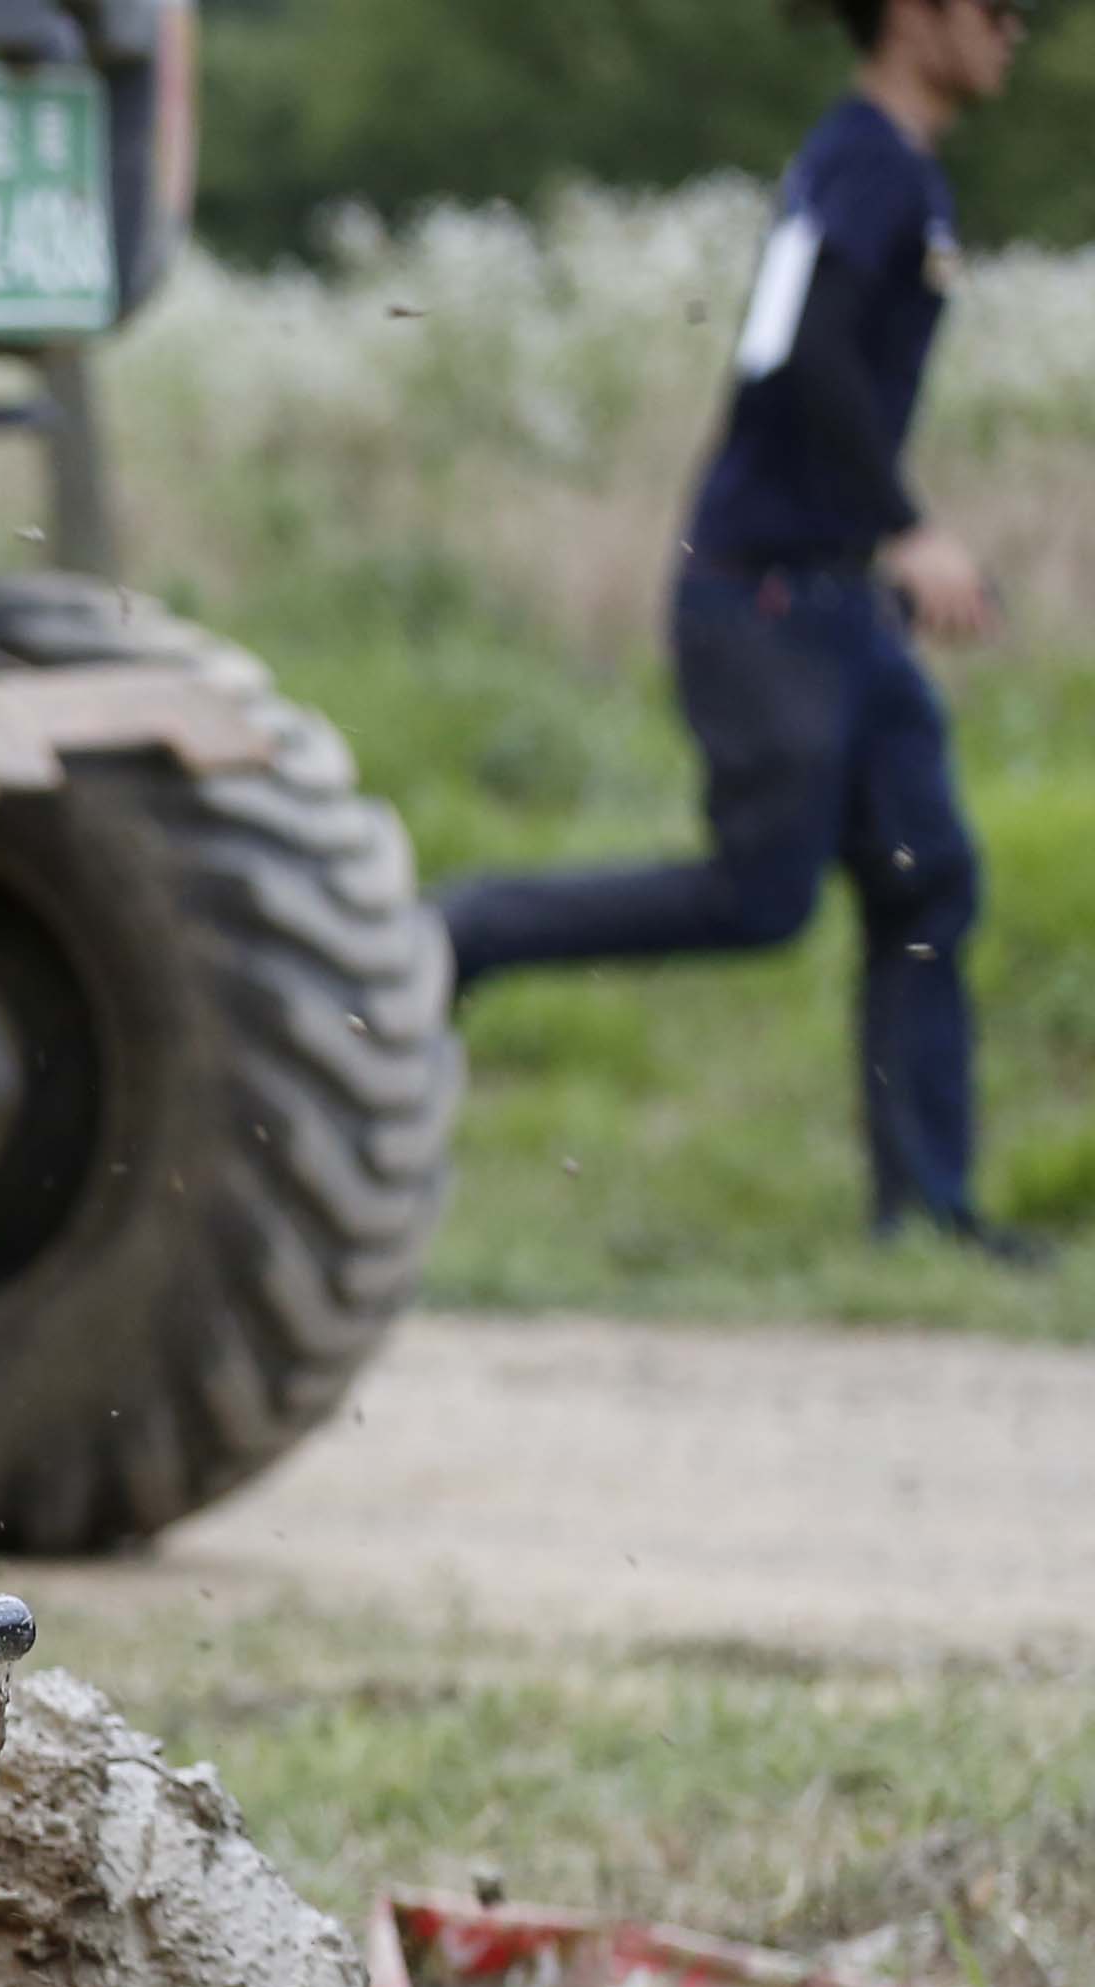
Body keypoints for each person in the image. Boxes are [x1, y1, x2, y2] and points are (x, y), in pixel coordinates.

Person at [434, 0, 1044, 1260]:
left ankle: (929, 1218)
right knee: (759, 900)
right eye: (1001, 9)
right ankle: (462, 930)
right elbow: (798, 358)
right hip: (766, 596)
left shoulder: (895, 170)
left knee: (930, 879)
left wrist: (881, 542)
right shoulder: (859, 164)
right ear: (917, 18)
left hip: (839, 599)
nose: (1018, 33)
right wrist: (909, 526)